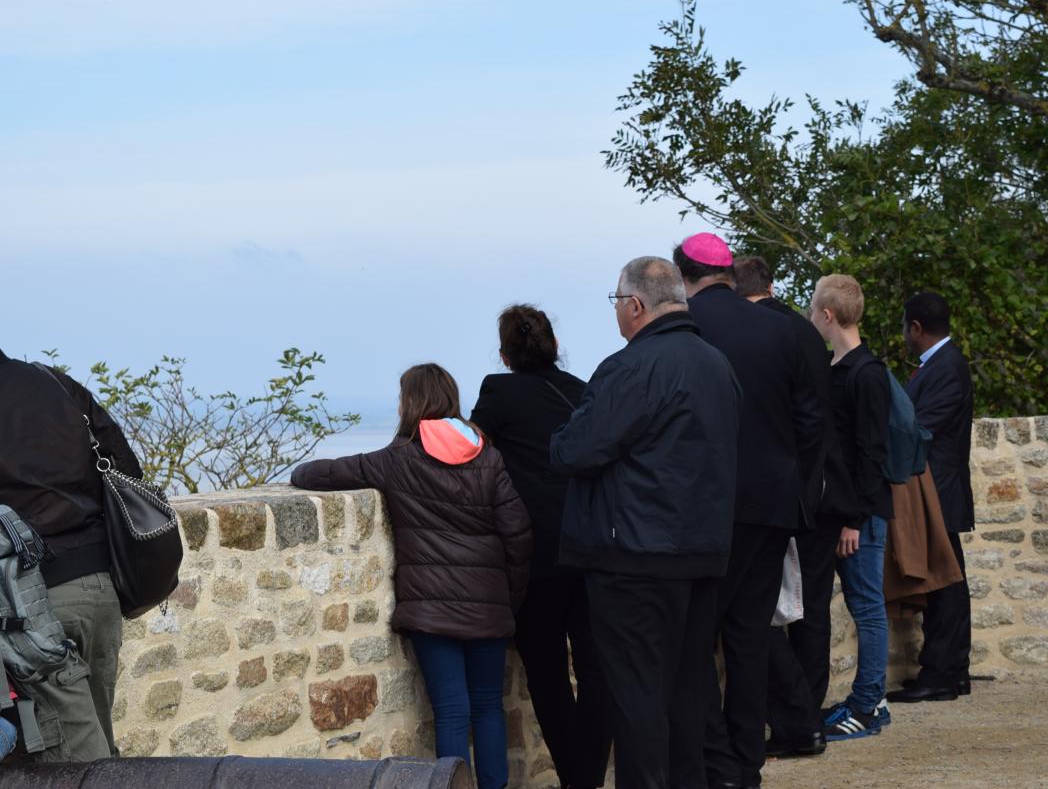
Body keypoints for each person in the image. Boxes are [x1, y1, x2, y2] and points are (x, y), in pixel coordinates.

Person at [292, 363, 532, 789]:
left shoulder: (398, 460)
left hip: (432, 610)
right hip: (489, 607)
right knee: (488, 708)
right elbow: (518, 534)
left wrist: (297, 473)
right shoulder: (489, 457)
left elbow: (317, 474)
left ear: (410, 403)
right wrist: (508, 599)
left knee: (453, 711)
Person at [550, 256, 741, 789]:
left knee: (636, 698)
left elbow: (576, 449)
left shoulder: (631, 367)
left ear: (635, 305)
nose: (617, 314)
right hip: (701, 552)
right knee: (688, 692)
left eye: (616, 303)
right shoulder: (716, 364)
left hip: (634, 557)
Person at [674, 236, 824, 789]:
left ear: (681, 273)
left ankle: (716, 765)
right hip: (774, 505)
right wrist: (792, 484)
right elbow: (811, 423)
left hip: (708, 509)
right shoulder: (780, 326)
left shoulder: (685, 327)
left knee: (695, 642)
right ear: (729, 273)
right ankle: (746, 763)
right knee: (749, 637)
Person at [470, 305, 611, 789]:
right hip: (590, 544)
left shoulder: (497, 391)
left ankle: (577, 777)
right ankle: (589, 772)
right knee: (596, 668)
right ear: (553, 345)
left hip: (533, 550)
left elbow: (469, 451)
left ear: (505, 353)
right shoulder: (580, 391)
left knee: (547, 673)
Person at [732, 257, 856, 758]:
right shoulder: (803, 334)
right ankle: (809, 716)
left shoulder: (758, 335)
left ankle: (799, 720)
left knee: (771, 615)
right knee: (810, 612)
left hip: (782, 494)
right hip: (816, 492)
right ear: (773, 284)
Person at [0, 348, 139, 761]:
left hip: (30, 605)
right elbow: (128, 471)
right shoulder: (55, 383)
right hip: (99, 587)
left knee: (67, 761)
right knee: (96, 743)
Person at [806, 275, 894, 739]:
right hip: (845, 513)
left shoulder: (867, 373)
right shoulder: (835, 367)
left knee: (867, 607)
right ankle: (865, 700)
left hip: (861, 517)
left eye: (812, 308)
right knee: (863, 605)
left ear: (827, 315)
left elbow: (870, 455)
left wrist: (854, 521)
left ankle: (867, 706)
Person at [886, 292, 975, 703]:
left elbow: (921, 428)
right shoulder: (943, 365)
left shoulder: (945, 369)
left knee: (945, 584)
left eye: (906, 328)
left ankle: (942, 673)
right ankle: (950, 670)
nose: (905, 335)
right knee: (948, 583)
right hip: (939, 489)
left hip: (938, 490)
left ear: (916, 328)